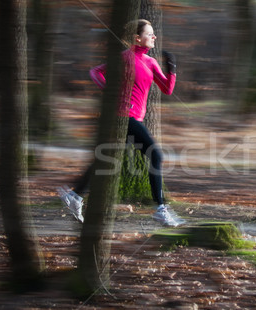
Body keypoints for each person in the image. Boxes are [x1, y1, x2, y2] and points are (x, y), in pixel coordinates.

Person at [58, 19, 183, 227]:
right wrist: (112, 95)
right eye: (149, 33)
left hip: (133, 118)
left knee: (106, 159)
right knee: (156, 155)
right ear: (137, 37)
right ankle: (160, 209)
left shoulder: (151, 62)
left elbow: (167, 89)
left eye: (153, 33)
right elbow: (95, 72)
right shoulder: (124, 57)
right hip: (125, 116)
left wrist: (172, 68)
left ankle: (75, 195)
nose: (154, 37)